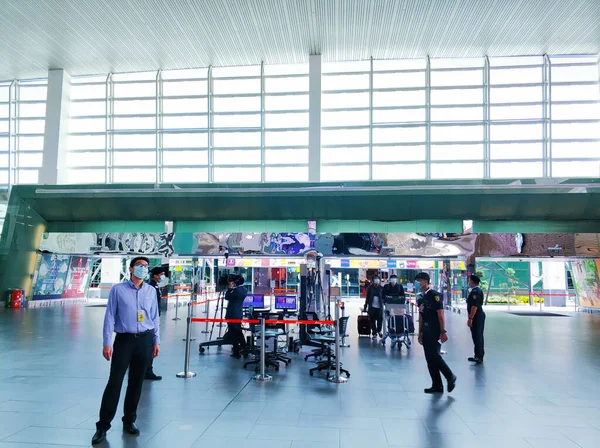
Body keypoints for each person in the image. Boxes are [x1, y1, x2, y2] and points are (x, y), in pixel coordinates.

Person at [92, 257, 160, 445]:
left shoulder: (151, 291)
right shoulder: (118, 290)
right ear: (131, 269)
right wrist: (107, 342)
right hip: (124, 340)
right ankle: (102, 426)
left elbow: (155, 317)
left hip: (145, 340)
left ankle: (129, 420)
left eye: (146, 266)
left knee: (136, 383)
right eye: (139, 265)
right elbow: (110, 317)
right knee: (115, 382)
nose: (143, 268)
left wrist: (156, 341)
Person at [415, 272, 456, 394]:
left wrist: (443, 331)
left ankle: (450, 375)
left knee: (434, 356)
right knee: (429, 359)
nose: (417, 283)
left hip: (435, 330)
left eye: (419, 280)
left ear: (426, 282)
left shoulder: (435, 295)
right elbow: (421, 316)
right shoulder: (420, 298)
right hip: (426, 330)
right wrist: (419, 332)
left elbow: (441, 314)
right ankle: (437, 385)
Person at [144, 267, 166, 381]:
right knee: (151, 345)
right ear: (155, 275)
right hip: (150, 319)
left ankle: (146, 369)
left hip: (153, 317)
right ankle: (147, 371)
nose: (162, 277)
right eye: (160, 275)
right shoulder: (151, 286)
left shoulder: (154, 286)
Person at [224, 274, 247, 358]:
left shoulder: (236, 291)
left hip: (232, 314)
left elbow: (227, 297)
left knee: (234, 333)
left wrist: (230, 288)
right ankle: (244, 348)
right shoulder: (244, 290)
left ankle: (237, 352)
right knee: (238, 331)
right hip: (238, 313)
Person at [467, 274, 485, 364]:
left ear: (473, 282)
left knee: (478, 336)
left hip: (477, 317)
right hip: (476, 316)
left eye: (469, 280)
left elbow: (474, 306)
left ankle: (479, 356)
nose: (468, 282)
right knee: (475, 336)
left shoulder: (475, 292)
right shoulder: (475, 291)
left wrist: (471, 318)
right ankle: (477, 355)